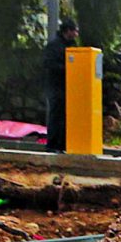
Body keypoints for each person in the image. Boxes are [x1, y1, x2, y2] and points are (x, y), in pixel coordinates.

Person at [44, 18, 79, 152]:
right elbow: (49, 64)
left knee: (65, 117)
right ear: (68, 31)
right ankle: (52, 145)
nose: (76, 34)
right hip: (56, 86)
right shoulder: (55, 46)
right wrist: (67, 68)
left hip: (68, 87)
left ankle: (63, 144)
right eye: (75, 31)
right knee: (56, 116)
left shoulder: (71, 46)